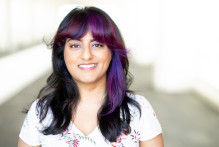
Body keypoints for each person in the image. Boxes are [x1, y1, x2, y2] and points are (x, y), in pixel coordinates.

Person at [18, 6, 164, 147]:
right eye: (75, 45)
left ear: (112, 52)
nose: (87, 55)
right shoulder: (40, 112)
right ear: (62, 53)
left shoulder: (138, 110)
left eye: (97, 45)